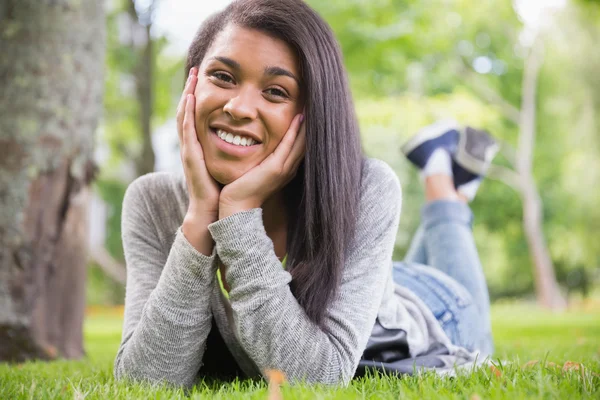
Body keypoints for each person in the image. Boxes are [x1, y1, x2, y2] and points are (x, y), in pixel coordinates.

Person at [113, 0, 496, 388]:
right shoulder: (151, 201)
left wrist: (238, 215)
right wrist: (199, 219)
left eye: (276, 91)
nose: (239, 107)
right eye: (223, 77)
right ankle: (450, 177)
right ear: (191, 86)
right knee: (383, 279)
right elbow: (145, 385)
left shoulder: (367, 188)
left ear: (314, 115)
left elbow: (318, 382)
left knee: (443, 217)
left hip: (432, 309)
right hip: (370, 284)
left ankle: (439, 176)